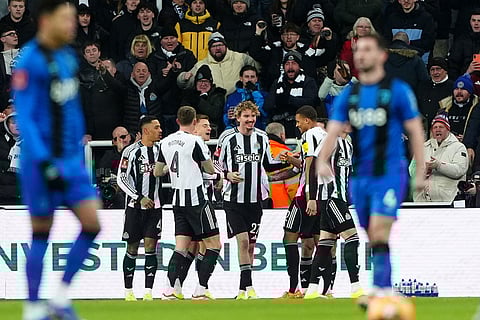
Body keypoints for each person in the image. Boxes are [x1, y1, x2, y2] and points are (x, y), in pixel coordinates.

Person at [315, 34, 425, 309]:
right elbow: (333, 129)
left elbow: (414, 130)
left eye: (367, 49)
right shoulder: (349, 96)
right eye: (356, 50)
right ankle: (383, 291)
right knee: (372, 235)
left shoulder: (397, 91)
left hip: (390, 172)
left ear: (381, 56)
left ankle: (381, 290)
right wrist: (322, 159)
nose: (360, 55)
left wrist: (421, 169)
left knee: (378, 231)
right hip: (359, 178)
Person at [12, 1, 101, 319]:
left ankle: (59, 298)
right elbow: (26, 118)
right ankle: (33, 308)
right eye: (65, 19)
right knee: (41, 232)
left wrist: (76, 158)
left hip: (71, 161)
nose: (72, 25)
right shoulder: (30, 61)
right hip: (41, 163)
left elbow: (73, 112)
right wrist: (45, 162)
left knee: (93, 223)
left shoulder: (66, 57)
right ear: (47, 21)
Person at [155, 106, 222, 300]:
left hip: (177, 200)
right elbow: (209, 168)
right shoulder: (195, 141)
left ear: (177, 120)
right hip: (196, 199)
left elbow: (158, 172)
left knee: (181, 247)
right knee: (214, 245)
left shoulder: (165, 142)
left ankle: (169, 289)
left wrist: (174, 167)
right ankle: (201, 289)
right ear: (194, 122)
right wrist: (217, 175)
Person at [215, 100, 277, 299]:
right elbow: (215, 163)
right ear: (238, 118)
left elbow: (268, 164)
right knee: (242, 242)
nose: (251, 120)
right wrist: (226, 175)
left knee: (251, 245)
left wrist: (289, 161)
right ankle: (248, 286)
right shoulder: (227, 137)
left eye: (253, 116)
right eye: (246, 117)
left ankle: (243, 289)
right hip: (233, 200)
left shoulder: (262, 137)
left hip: (256, 200)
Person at [304, 124, 364, 300]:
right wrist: (312, 198)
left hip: (340, 199)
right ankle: (355, 287)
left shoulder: (348, 145)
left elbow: (346, 175)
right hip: (331, 197)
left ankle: (312, 290)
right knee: (352, 239)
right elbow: (313, 168)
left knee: (325, 244)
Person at [278, 105, 326, 298]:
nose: (297, 125)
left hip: (304, 196)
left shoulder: (308, 136)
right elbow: (307, 163)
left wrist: (308, 194)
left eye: (298, 121)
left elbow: (310, 165)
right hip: (323, 193)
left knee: (289, 237)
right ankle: (315, 289)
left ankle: (293, 289)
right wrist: (293, 160)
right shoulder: (324, 135)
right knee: (313, 240)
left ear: (307, 120)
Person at [116, 115, 163, 301]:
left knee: (151, 246)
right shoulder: (131, 151)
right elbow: (122, 178)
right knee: (133, 247)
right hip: (134, 207)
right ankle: (128, 291)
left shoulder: (162, 150)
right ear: (146, 130)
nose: (160, 130)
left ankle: (148, 292)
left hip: (156, 207)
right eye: (157, 127)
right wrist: (139, 197)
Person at [410, 112, 469, 202]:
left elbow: (459, 170)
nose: (437, 130)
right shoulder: (423, 147)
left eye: (441, 127)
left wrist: (438, 165)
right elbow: (412, 170)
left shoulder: (459, 147)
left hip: (447, 201)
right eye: (435, 127)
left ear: (448, 130)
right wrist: (424, 171)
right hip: (421, 201)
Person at [177, 32, 259, 95]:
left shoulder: (240, 58)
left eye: (220, 45)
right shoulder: (201, 64)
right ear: (209, 49)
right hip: (214, 105)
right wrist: (183, 77)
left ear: (225, 46)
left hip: (236, 103)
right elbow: (185, 84)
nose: (218, 48)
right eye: (214, 46)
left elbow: (257, 68)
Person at [264, 50, 319, 138]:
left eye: (293, 63)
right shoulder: (277, 83)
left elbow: (311, 103)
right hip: (280, 126)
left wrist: (289, 100)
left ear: (299, 66)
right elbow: (268, 105)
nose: (290, 67)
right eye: (287, 64)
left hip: (300, 127)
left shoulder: (308, 81)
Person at [181, 64, 227, 137]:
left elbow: (215, 113)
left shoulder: (218, 95)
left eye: (206, 81)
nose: (203, 84)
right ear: (195, 83)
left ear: (211, 83)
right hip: (192, 133)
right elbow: (185, 116)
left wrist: (199, 101)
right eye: (200, 81)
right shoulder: (189, 95)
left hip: (212, 133)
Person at [265, 122, 299, 208]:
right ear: (282, 135)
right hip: (283, 205)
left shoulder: (260, 153)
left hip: (264, 204)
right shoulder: (287, 155)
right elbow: (292, 186)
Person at [224, 65, 268, 130]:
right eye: (246, 77)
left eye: (252, 77)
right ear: (241, 78)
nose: (249, 80)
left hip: (258, 130)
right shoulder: (232, 96)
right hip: (237, 131)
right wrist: (228, 117)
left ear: (256, 79)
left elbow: (264, 112)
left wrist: (254, 92)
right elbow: (225, 118)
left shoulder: (264, 95)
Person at [438, 74, 480, 142]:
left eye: (463, 89)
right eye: (456, 89)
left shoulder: (476, 107)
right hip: (446, 143)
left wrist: (467, 139)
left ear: (470, 92)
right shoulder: (444, 106)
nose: (459, 92)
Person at [417, 57, 454, 132]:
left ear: (445, 71)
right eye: (432, 70)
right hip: (423, 128)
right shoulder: (423, 86)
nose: (435, 72)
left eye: (438, 69)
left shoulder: (452, 87)